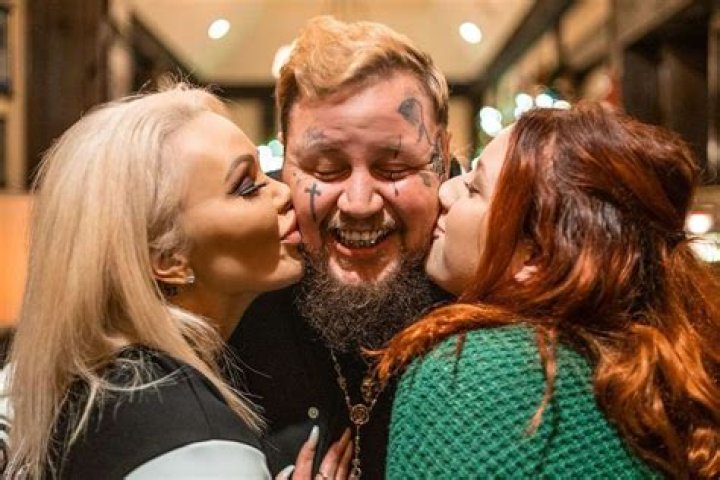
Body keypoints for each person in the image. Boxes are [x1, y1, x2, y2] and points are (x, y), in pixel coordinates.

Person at [4, 85, 351, 479]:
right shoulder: (191, 436)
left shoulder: (100, 390)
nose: (285, 192)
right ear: (166, 258)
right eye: (247, 187)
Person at [376, 103, 720, 478]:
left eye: (474, 189)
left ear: (536, 255)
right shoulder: (650, 371)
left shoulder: (469, 374)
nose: (446, 191)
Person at [229, 15, 451, 478]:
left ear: (443, 160)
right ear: (285, 163)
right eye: (326, 169)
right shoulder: (238, 291)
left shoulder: (488, 278)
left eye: (394, 168)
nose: (359, 203)